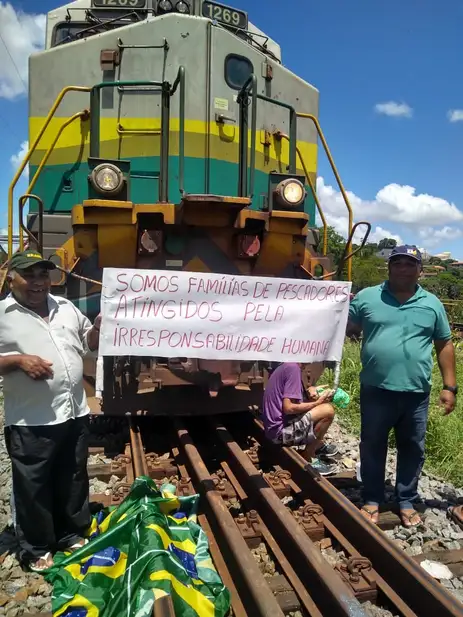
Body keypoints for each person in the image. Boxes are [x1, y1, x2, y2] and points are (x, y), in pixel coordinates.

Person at [0, 249, 101, 571]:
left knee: (72, 476)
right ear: (11, 278)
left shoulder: (66, 307)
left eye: (44, 274)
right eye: (29, 275)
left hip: (74, 412)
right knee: (33, 485)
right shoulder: (2, 314)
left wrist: (99, 328)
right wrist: (17, 360)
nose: (38, 282)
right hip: (32, 418)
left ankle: (70, 534)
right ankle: (37, 546)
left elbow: (88, 343)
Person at [347, 245, 457, 527]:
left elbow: (444, 343)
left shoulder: (432, 304)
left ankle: (406, 500)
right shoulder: (368, 297)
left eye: (410, 264)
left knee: (412, 447)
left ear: (419, 269)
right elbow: (343, 325)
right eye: (397, 263)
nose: (403, 269)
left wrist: (450, 387)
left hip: (415, 393)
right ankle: (372, 498)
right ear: (389, 267)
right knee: (372, 445)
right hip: (376, 389)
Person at [262, 362, 339, 476]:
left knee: (319, 408)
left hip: (272, 429)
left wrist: (312, 391)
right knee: (327, 410)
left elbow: (293, 402)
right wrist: (318, 402)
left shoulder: (286, 366)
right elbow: (289, 408)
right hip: (280, 435)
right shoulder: (293, 369)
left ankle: (317, 445)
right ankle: (309, 456)